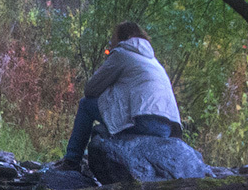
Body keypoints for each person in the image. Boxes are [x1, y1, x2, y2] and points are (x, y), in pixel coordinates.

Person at [61, 22, 183, 168]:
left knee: (86, 105)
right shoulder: (154, 62)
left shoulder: (122, 53)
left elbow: (90, 89)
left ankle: (72, 161)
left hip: (144, 122)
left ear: (123, 37)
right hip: (167, 128)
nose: (111, 43)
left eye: (113, 38)